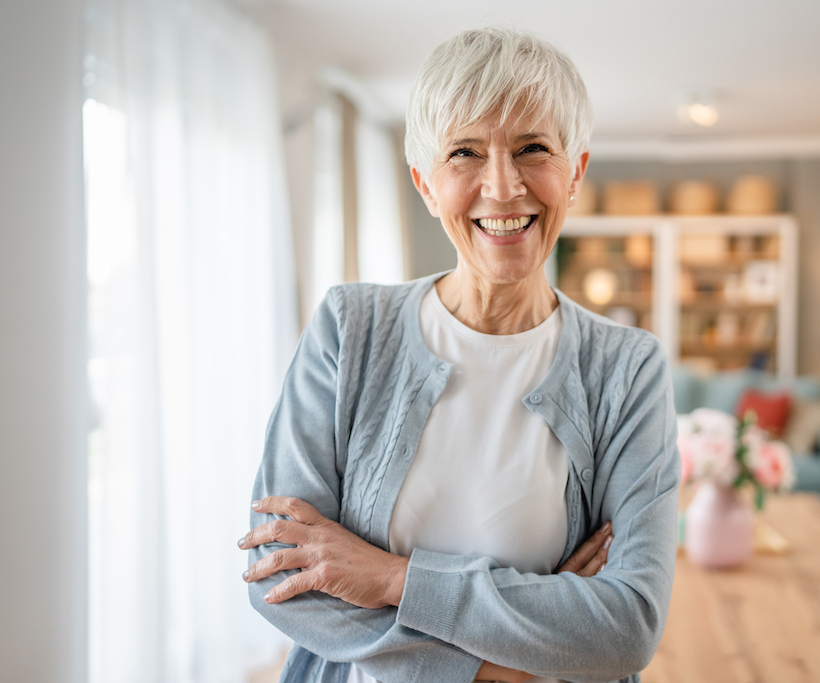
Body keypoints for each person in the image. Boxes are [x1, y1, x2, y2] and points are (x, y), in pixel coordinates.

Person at [239, 27, 680, 683]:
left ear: (576, 171)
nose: (502, 188)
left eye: (533, 148)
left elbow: (626, 624)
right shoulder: (347, 329)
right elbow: (282, 573)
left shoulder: (627, 368)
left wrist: (392, 577)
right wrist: (507, 668)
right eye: (465, 153)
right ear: (424, 182)